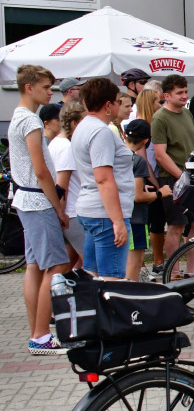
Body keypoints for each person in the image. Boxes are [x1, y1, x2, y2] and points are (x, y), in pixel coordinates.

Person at [8, 65, 69, 354]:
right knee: (55, 264)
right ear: (29, 87)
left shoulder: (18, 117)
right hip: (37, 199)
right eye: (46, 87)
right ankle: (42, 335)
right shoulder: (30, 121)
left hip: (25, 199)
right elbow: (41, 170)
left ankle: (37, 332)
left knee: (34, 266)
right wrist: (58, 207)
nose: (50, 92)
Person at [74, 77, 135, 280]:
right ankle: (109, 312)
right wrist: (117, 221)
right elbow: (104, 178)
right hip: (105, 213)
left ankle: (91, 311)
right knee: (112, 279)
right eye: (118, 101)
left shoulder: (84, 127)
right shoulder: (100, 132)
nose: (120, 105)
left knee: (91, 273)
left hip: (91, 208)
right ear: (108, 105)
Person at [151, 74, 194, 267]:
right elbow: (160, 154)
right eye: (179, 93)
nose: (184, 96)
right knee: (176, 225)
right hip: (173, 178)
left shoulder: (187, 113)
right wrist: (181, 175)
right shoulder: (160, 118)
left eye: (186, 92)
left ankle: (193, 270)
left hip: (193, 176)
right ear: (167, 95)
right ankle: (173, 272)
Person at [123, 120, 171, 281]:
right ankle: (129, 297)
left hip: (122, 215)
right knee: (134, 264)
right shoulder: (138, 161)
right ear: (145, 140)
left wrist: (144, 189)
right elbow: (138, 196)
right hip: (136, 218)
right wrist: (159, 193)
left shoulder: (118, 156)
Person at [52, 102, 87, 267]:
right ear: (74, 123)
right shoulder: (66, 147)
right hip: (72, 213)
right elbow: (61, 186)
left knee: (67, 265)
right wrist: (61, 213)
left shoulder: (55, 143)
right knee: (90, 263)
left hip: (68, 212)